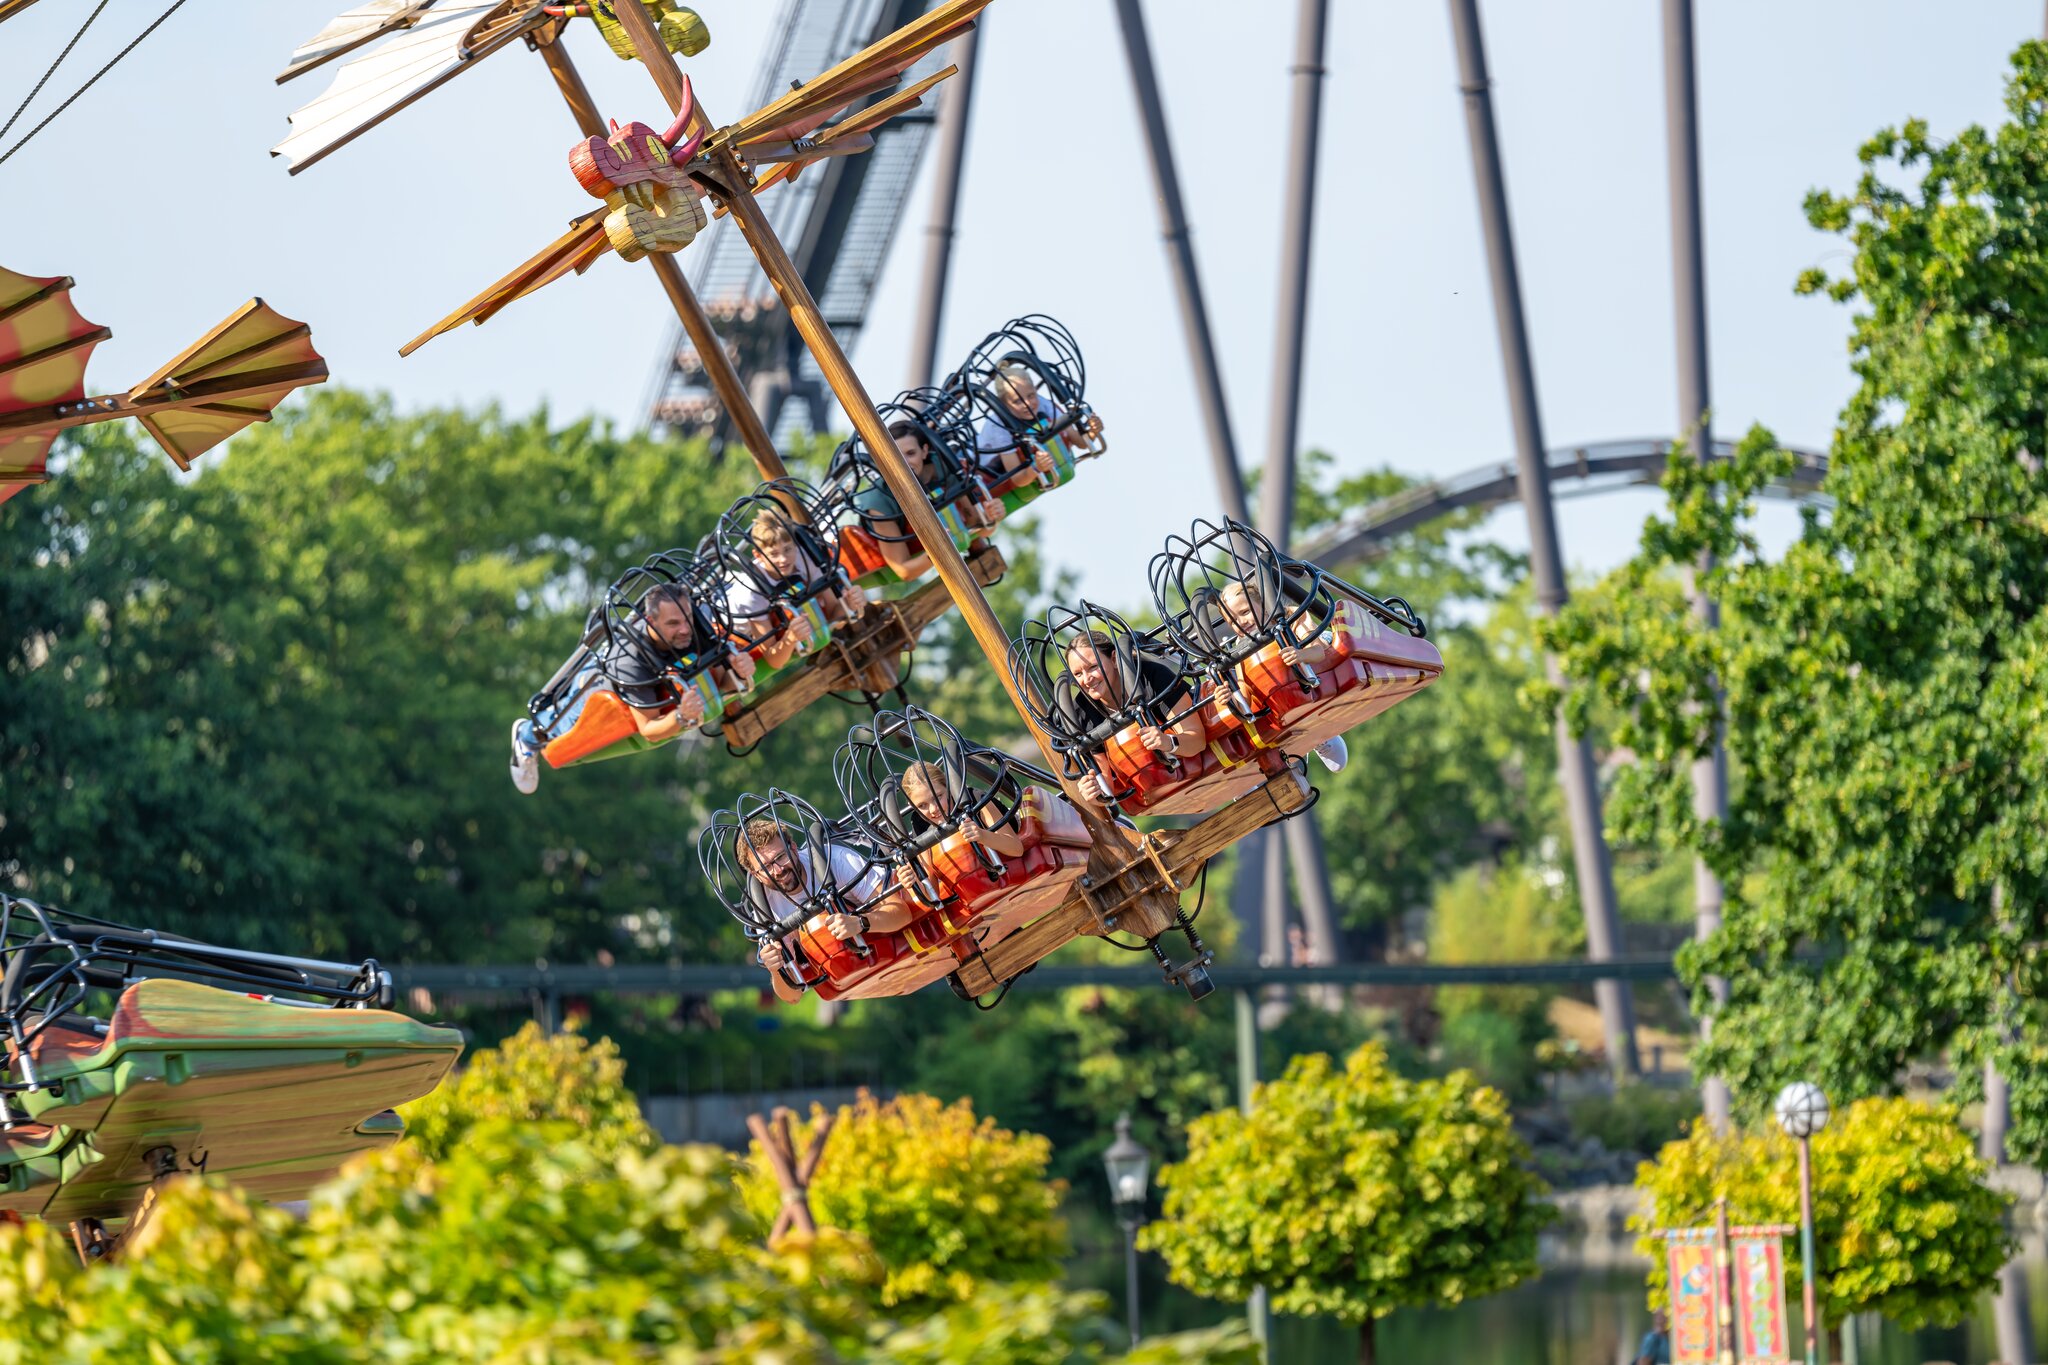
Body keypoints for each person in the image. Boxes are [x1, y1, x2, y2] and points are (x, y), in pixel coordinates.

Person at [508, 581, 752, 794]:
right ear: (651, 621)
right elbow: (648, 729)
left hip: (648, 679)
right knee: (557, 728)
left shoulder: (694, 627)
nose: (685, 629)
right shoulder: (631, 661)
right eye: (673, 623)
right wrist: (681, 717)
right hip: (598, 688)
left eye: (687, 618)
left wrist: (740, 674)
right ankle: (527, 736)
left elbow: (720, 680)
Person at [737, 817, 914, 1005]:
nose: (778, 870)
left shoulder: (835, 859)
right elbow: (792, 996)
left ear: (793, 847)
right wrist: (775, 968)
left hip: (887, 943)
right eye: (765, 867)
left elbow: (902, 913)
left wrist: (860, 923)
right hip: (837, 979)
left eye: (781, 857)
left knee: (818, 922)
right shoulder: (763, 908)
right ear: (755, 875)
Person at [1217, 578, 1348, 774]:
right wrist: (1229, 698)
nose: (1241, 623)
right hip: (1286, 683)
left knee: (1304, 654)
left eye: (1245, 612)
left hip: (1317, 656)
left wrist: (1300, 654)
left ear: (1262, 603)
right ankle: (1307, 733)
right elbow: (1245, 694)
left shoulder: (1289, 617)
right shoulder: (1241, 646)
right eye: (1233, 621)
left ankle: (1322, 734)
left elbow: (1320, 651)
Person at [1061, 630, 1204, 804]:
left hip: (1196, 766)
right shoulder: (1082, 711)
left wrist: (1167, 742)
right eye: (1078, 674)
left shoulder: (1152, 677)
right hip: (1153, 792)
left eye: (1093, 667)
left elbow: (1197, 740)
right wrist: (1094, 793)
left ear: (1114, 659)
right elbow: (1105, 783)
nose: (1087, 679)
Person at [853, 420, 1002, 580]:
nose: (904, 463)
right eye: (896, 457)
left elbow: (979, 526)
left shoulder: (945, 467)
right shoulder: (879, 499)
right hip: (878, 554)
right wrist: (939, 551)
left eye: (910, 453)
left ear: (924, 451)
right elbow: (904, 571)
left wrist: (992, 517)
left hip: (945, 537)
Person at [722, 508, 866, 672]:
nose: (783, 559)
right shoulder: (751, 592)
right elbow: (774, 660)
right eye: (773, 554)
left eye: (788, 549)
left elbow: (834, 612)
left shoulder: (803, 559)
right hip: (736, 637)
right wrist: (790, 639)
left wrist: (850, 604)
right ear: (759, 555)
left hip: (788, 619)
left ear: (795, 545)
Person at [973, 363, 1103, 484]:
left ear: (1035, 390)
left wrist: (1092, 431)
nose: (1028, 404)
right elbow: (1017, 480)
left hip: (1027, 455)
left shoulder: (1045, 406)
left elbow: (1079, 442)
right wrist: (1036, 468)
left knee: (1043, 424)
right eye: (1018, 401)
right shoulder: (998, 427)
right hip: (984, 467)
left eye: (1031, 395)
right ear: (1004, 404)